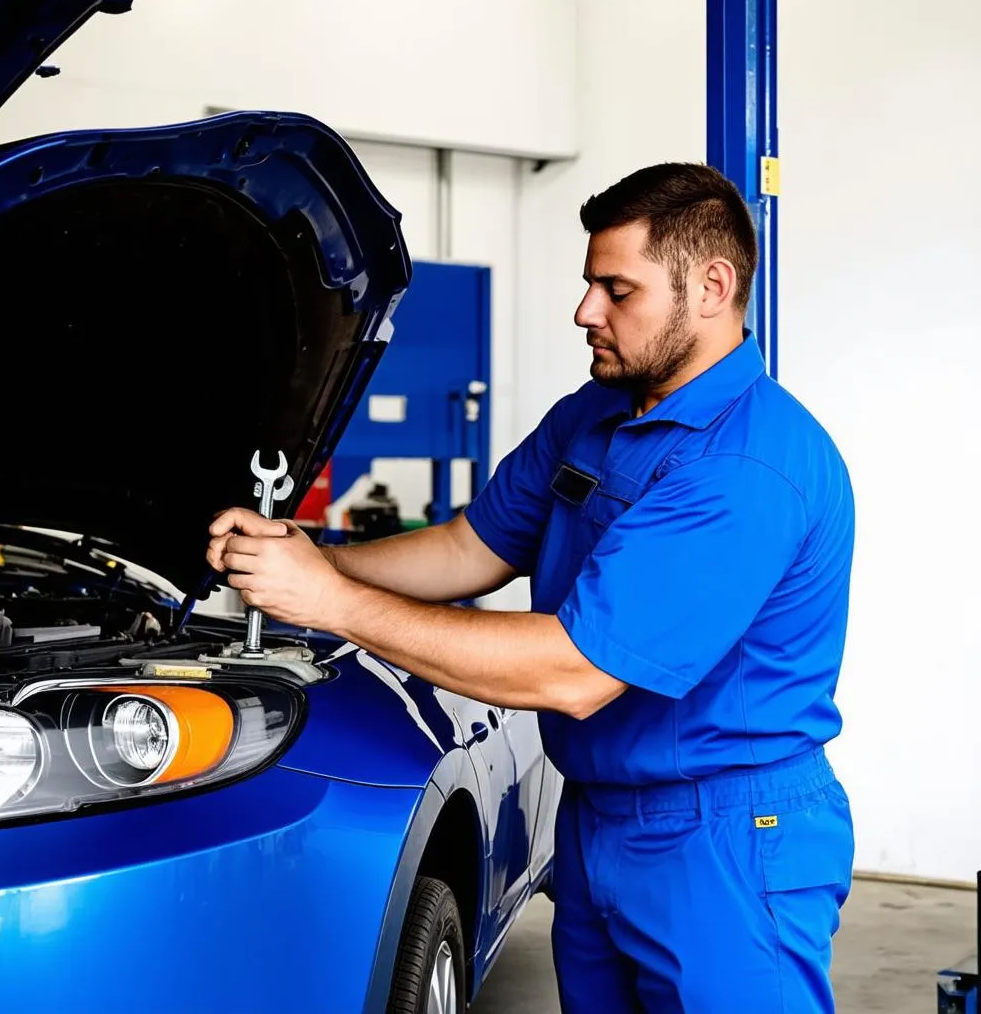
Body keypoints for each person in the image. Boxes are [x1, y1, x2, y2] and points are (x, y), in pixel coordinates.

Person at [207, 161, 856, 1014]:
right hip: (598, 821)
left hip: (726, 838)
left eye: (615, 289)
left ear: (711, 287)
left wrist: (325, 603)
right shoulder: (594, 414)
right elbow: (468, 548)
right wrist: (308, 558)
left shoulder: (747, 467)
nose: (586, 311)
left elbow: (573, 673)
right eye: (589, 284)